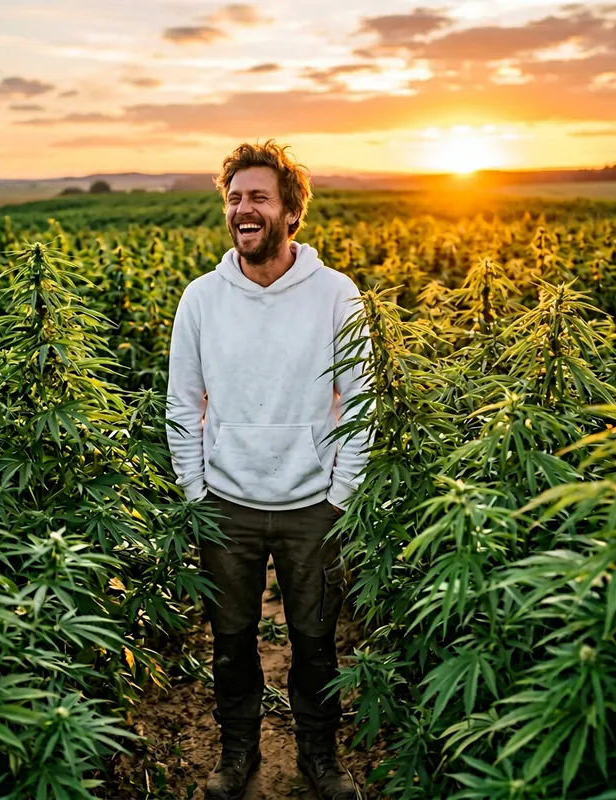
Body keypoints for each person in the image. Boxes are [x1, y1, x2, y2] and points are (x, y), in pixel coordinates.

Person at [165, 140, 373, 800]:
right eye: (233, 199)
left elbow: (362, 403)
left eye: (257, 197)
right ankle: (237, 753)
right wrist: (196, 490)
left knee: (315, 641)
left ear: (291, 211)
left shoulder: (337, 295)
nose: (242, 209)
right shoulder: (200, 299)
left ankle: (319, 755)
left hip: (314, 505)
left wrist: (341, 492)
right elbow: (182, 403)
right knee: (231, 640)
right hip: (227, 502)